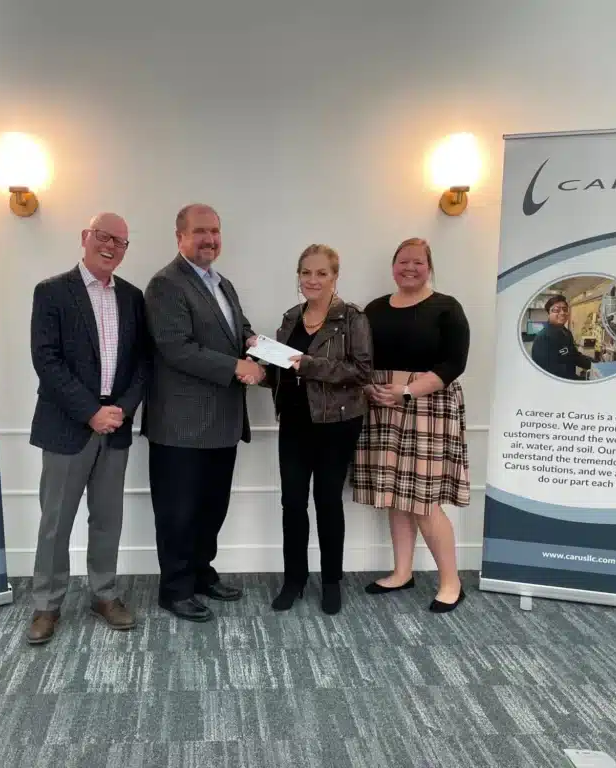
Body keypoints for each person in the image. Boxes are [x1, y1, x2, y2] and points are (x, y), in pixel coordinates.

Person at [25, 212, 149, 644]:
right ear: (85, 237)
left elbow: (141, 365)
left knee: (107, 519)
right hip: (66, 428)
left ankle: (104, 594)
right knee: (55, 523)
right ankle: (47, 604)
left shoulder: (133, 297)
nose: (111, 245)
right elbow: (47, 361)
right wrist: (90, 412)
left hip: (114, 428)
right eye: (103, 236)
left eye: (120, 241)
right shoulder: (52, 292)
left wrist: (120, 410)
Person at [142, 203, 265, 623]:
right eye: (200, 231)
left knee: (212, 507)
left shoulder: (222, 283)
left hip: (222, 422)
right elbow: (176, 347)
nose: (209, 239)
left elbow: (239, 331)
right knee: (178, 512)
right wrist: (236, 366)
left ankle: (200, 573)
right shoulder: (165, 284)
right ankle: (174, 589)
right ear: (179, 236)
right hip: (180, 426)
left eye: (215, 230)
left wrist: (256, 345)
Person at [353, 237, 470, 613]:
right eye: (403, 261)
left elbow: (454, 365)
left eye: (418, 262)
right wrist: (371, 386)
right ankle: (402, 571)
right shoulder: (374, 309)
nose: (410, 268)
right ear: (393, 266)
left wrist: (406, 391)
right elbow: (361, 357)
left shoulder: (447, 308)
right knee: (396, 494)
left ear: (429, 267)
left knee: (423, 500)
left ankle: (451, 582)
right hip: (382, 405)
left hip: (427, 404)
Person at [263, 244, 372, 615]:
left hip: (337, 424)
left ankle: (330, 581)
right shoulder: (291, 317)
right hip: (294, 422)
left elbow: (361, 372)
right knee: (292, 503)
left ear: (335, 276)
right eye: (306, 272)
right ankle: (294, 579)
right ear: (299, 276)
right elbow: (285, 369)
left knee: (326, 502)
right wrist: (258, 367)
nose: (312, 279)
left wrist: (309, 364)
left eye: (321, 273)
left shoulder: (353, 318)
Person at [530, 295, 594, 380]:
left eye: (565, 309)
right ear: (549, 313)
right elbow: (548, 372)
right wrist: (580, 381)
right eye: (556, 310)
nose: (562, 313)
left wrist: (595, 365)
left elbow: (574, 356)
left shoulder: (566, 333)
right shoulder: (543, 338)